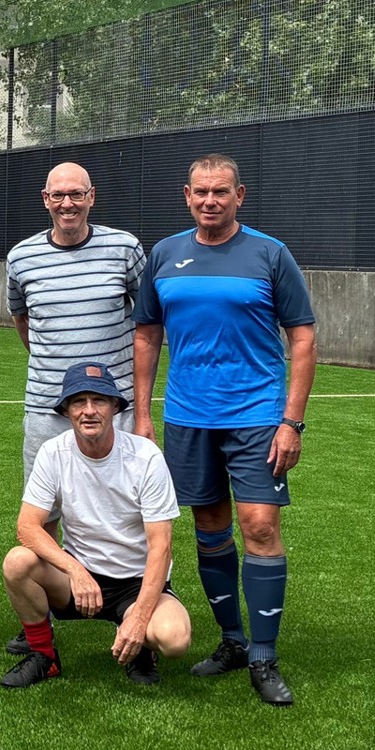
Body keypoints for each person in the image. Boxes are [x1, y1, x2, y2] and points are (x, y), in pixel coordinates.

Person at [132, 153, 315, 707]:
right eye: (200, 192)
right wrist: (143, 413)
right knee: (209, 527)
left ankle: (264, 655)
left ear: (241, 195)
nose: (210, 200)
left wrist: (292, 421)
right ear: (186, 195)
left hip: (258, 417)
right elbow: (146, 335)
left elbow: (302, 338)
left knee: (258, 526)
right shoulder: (164, 255)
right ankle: (232, 641)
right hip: (187, 416)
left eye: (221, 192)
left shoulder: (270, 254)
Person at [0, 362, 191, 688]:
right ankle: (44, 657)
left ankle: (140, 643)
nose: (89, 411)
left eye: (99, 400)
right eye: (78, 402)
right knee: (17, 562)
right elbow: (28, 527)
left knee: (175, 640)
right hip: (79, 579)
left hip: (136, 582)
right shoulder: (53, 452)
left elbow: (161, 546)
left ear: (115, 407)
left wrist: (140, 617)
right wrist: (75, 570)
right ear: (66, 410)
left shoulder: (146, 457)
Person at [6, 161, 144, 479]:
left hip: (115, 405)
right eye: (58, 195)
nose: (67, 204)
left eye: (76, 194)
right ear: (45, 198)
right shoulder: (21, 258)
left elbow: (147, 320)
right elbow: (22, 319)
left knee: (120, 508)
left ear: (91, 197)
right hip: (47, 406)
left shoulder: (125, 248)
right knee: (44, 510)